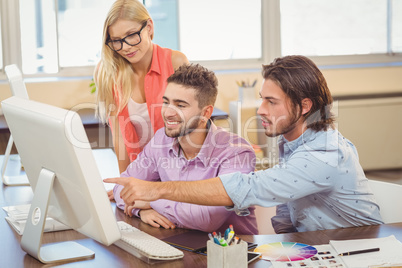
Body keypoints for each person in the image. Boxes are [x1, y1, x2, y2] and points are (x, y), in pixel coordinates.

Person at [105, 55, 384, 233]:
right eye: (262, 98)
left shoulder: (324, 153)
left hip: (358, 252)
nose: (260, 109)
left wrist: (152, 192)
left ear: (303, 106)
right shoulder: (294, 143)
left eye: (270, 102)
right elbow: (287, 218)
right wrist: (142, 203)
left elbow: (245, 190)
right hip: (315, 248)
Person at [112, 64, 258, 235]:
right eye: (165, 102)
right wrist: (142, 210)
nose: (168, 113)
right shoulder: (161, 140)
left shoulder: (236, 153)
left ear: (205, 113)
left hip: (231, 256)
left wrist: (151, 198)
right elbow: (121, 187)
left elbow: (204, 219)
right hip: (179, 244)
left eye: (180, 105)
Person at [94, 0, 189, 178]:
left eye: (131, 35)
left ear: (149, 27)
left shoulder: (176, 63)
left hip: (179, 173)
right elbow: (120, 137)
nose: (126, 47)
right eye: (116, 41)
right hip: (141, 174)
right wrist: (125, 183)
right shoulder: (108, 72)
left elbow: (191, 129)